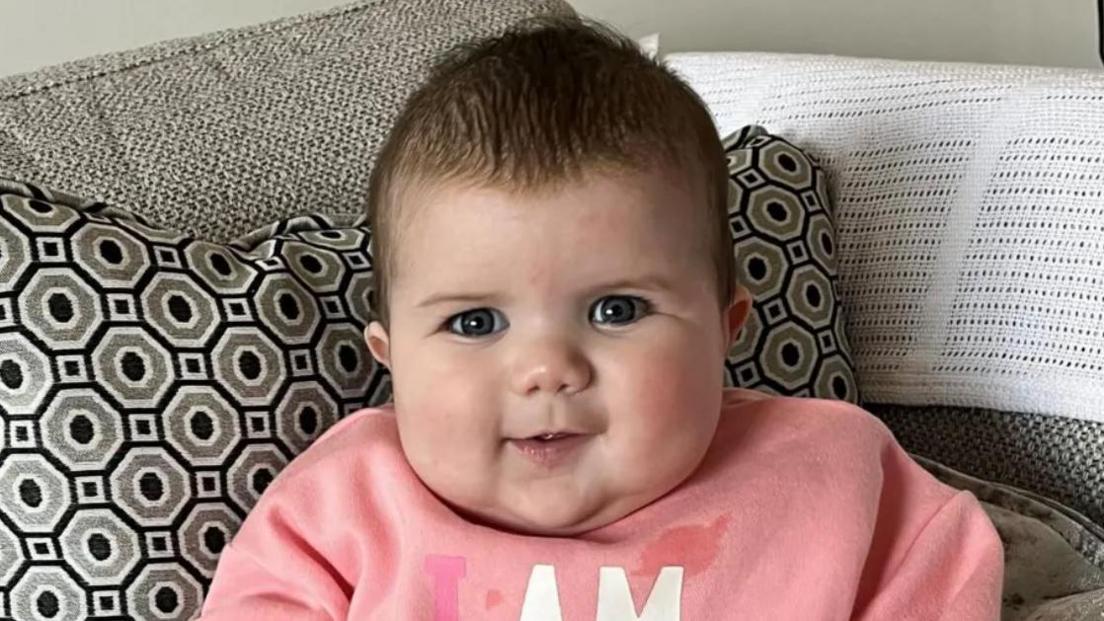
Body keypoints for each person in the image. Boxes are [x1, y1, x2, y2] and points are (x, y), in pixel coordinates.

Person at [199, 15, 1003, 620]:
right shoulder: (345, 507)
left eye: (617, 309)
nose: (547, 366)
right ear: (391, 355)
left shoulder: (835, 474)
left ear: (726, 328)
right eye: (475, 323)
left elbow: (948, 570)